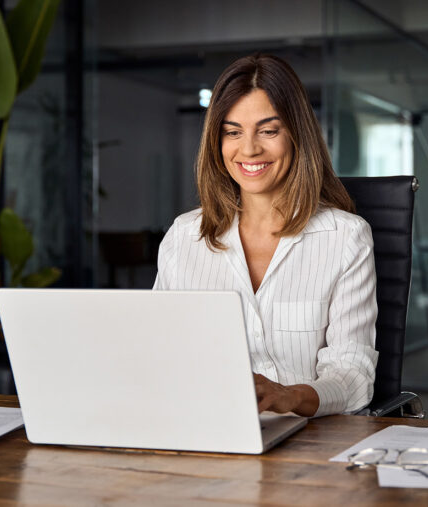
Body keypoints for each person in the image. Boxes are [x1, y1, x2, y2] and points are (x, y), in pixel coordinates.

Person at [153, 54, 378, 417]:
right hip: (207, 430)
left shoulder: (346, 238)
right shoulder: (184, 238)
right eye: (232, 132)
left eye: (269, 130)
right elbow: (158, 354)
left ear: (296, 135)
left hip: (310, 442)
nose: (250, 149)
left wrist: (292, 396)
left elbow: (353, 375)